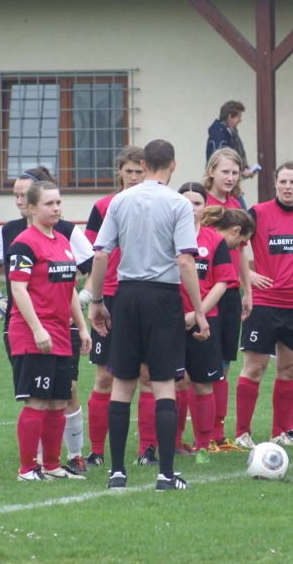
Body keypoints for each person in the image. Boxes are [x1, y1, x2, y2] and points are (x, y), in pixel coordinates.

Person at [89, 139, 209, 491]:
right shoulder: (178, 203)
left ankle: (116, 473)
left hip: (126, 296)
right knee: (163, 384)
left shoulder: (120, 200)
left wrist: (97, 300)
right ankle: (165, 475)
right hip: (163, 297)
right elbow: (185, 260)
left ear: (143, 164)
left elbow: (100, 254)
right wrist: (199, 311)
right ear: (173, 165)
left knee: (122, 383)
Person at [0, 165, 95, 475]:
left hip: (61, 333)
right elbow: (18, 289)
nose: (56, 208)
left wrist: (82, 327)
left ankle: (53, 465)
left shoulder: (62, 241)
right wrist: (37, 329)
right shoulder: (24, 243)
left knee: (59, 401)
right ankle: (27, 469)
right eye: (48, 203)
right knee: (36, 401)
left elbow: (69, 288)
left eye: (58, 202)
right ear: (32, 208)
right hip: (34, 334)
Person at [234, 162, 293, 449]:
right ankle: (242, 433)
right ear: (275, 182)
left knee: (289, 370)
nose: (288, 187)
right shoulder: (258, 213)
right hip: (264, 303)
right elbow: (235, 244)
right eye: (283, 181)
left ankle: (279, 432)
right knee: (255, 368)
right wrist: (249, 277)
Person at [80, 148, 160, 469]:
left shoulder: (160, 204)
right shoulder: (104, 206)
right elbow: (90, 254)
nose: (134, 177)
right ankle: (97, 451)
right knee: (105, 377)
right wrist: (92, 296)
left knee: (148, 376)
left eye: (139, 171)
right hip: (111, 297)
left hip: (148, 294)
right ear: (120, 171)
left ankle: (147, 451)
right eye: (129, 171)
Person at [175, 184, 243, 464]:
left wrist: (197, 313)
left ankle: (203, 447)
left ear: (206, 207)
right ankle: (175, 443)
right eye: (186, 203)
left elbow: (222, 282)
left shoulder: (214, 240)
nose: (192, 208)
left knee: (203, 384)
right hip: (170, 321)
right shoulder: (166, 237)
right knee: (177, 383)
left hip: (204, 320)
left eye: (197, 203)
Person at [201, 148, 254, 450]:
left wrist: (248, 291)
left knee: (224, 364)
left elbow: (242, 252)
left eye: (235, 172)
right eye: (225, 171)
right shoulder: (200, 203)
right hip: (207, 293)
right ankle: (200, 436)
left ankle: (218, 435)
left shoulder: (236, 204)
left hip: (231, 293)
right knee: (201, 368)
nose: (231, 177)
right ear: (211, 171)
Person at [205, 101, 256, 207]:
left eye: (235, 173)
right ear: (230, 116)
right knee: (241, 213)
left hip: (229, 188)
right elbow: (217, 161)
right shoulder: (220, 135)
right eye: (239, 117)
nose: (240, 120)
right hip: (222, 187)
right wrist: (243, 172)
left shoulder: (228, 133)